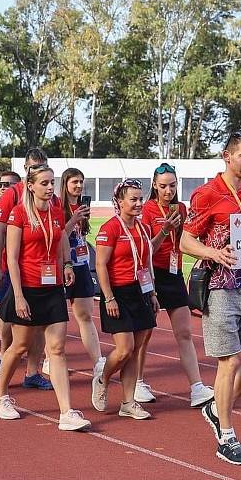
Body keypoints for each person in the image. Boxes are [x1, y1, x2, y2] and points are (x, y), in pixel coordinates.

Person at [180, 132, 241, 465]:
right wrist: (213, 253)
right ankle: (227, 436)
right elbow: (185, 241)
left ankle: (215, 407)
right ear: (227, 157)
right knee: (230, 361)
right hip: (219, 287)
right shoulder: (206, 194)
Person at [0, 165, 90, 431]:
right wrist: (19, 296)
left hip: (53, 288)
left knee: (57, 349)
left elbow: (60, 242)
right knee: (19, 347)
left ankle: (66, 411)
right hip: (27, 288)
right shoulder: (19, 214)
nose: (50, 187)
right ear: (31, 185)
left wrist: (68, 264)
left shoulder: (57, 213)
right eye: (44, 183)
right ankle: (1, 395)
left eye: (52, 183)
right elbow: (12, 258)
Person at [137, 162, 214, 408]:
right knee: (145, 333)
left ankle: (196, 387)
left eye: (172, 186)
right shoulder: (147, 209)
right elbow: (145, 250)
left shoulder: (181, 207)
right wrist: (164, 231)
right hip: (151, 273)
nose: (168, 191)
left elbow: (185, 243)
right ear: (154, 186)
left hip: (174, 274)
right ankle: (138, 382)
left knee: (184, 332)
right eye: (163, 186)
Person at [92, 179, 158, 420]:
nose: (139, 203)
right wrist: (108, 297)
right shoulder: (110, 229)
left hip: (139, 291)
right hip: (117, 293)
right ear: (119, 202)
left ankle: (128, 402)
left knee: (136, 349)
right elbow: (100, 264)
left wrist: (152, 294)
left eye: (141, 198)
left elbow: (146, 263)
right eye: (133, 199)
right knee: (124, 349)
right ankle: (102, 378)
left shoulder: (142, 228)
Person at [0, 149, 53, 389]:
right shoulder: (12, 194)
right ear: (26, 170)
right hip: (12, 267)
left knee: (39, 326)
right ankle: (3, 353)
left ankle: (32, 372)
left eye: (42, 165)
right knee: (8, 317)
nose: (37, 169)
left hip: (43, 274)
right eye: (33, 167)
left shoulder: (51, 197)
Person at [59, 168, 107, 377]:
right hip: (61, 267)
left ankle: (98, 362)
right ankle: (51, 358)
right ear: (65, 184)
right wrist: (73, 219)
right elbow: (59, 235)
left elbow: (81, 235)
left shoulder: (82, 205)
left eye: (81, 182)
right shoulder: (56, 207)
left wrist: (81, 218)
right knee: (57, 319)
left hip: (82, 266)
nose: (79, 186)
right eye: (74, 182)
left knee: (86, 315)